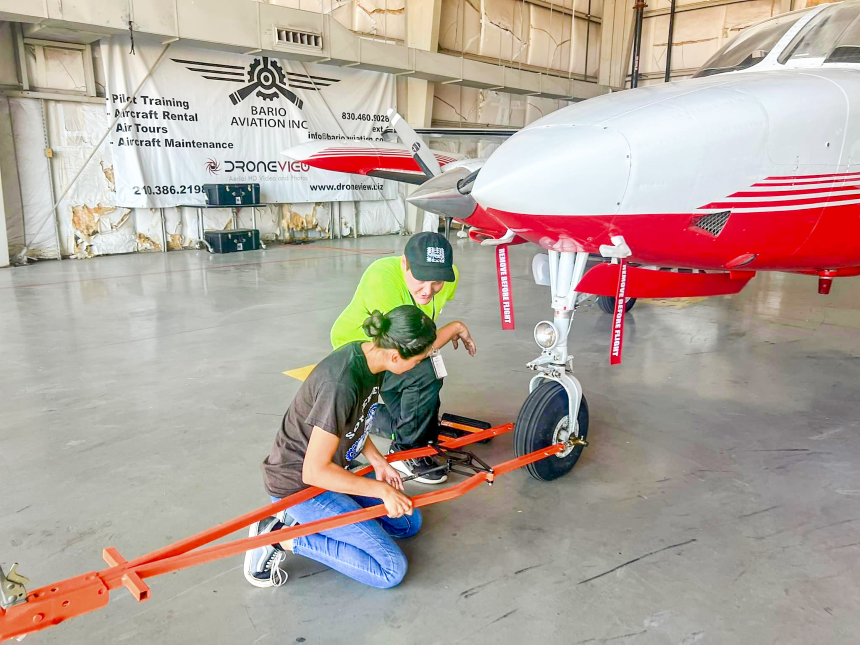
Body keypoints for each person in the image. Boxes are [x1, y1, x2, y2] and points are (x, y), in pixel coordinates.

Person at [244, 306, 471, 589]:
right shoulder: (341, 383)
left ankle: (339, 524)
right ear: (395, 355)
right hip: (299, 486)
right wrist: (381, 489)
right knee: (389, 570)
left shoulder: (372, 358)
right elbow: (314, 471)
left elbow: (358, 422)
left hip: (332, 472)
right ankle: (279, 537)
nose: (419, 365)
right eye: (418, 360)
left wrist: (378, 462)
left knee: (407, 523)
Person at [330, 232, 476, 485]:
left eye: (437, 282)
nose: (428, 291)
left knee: (423, 387)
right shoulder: (383, 277)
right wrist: (454, 328)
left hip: (399, 347)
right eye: (420, 280)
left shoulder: (449, 278)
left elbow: (423, 328)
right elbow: (408, 348)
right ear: (405, 264)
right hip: (358, 352)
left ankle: (386, 422)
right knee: (422, 373)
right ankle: (405, 451)